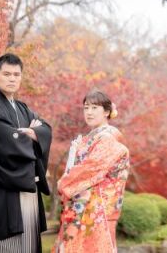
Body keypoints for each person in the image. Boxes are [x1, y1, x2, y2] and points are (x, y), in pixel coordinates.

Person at [0, 53, 52, 253]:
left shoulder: (22, 107)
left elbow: (45, 128)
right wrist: (31, 134)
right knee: (5, 245)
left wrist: (34, 133)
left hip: (26, 185)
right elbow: (7, 142)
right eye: (7, 74)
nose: (12, 78)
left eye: (16, 74)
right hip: (1, 187)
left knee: (28, 243)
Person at [54, 90, 130, 253]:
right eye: (86, 107)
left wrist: (64, 182)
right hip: (86, 203)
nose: (89, 112)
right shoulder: (92, 137)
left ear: (107, 112)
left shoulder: (108, 138)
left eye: (94, 108)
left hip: (98, 205)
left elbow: (91, 168)